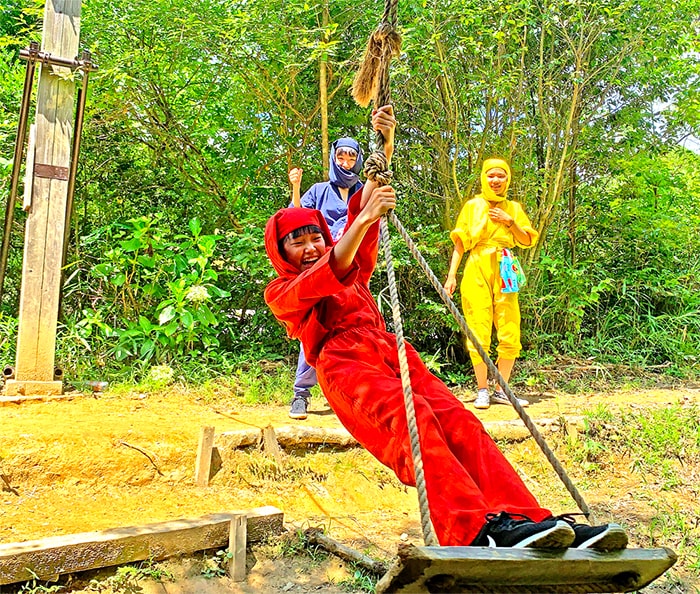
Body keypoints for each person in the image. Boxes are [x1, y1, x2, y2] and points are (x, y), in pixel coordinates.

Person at [264, 105, 627, 550]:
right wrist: (359, 220)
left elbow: (366, 206)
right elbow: (335, 261)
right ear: (280, 252)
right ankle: (472, 530)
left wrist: (385, 142)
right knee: (414, 423)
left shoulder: (349, 263)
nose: (308, 246)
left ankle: (531, 522)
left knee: (462, 423)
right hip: (345, 369)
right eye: (295, 241)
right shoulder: (283, 290)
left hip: (390, 353)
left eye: (315, 236)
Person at [444, 158, 537, 410]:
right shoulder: (473, 206)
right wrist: (451, 275)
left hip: (505, 265)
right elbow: (460, 243)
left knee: (510, 327)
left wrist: (510, 221)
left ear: (508, 179)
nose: (496, 180)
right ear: (484, 177)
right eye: (491, 176)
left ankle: (502, 390)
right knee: (478, 328)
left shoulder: (514, 208)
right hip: (476, 265)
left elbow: (527, 239)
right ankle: (482, 389)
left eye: (501, 176)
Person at [286, 137, 364, 420]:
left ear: (358, 159)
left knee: (350, 330)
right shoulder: (320, 190)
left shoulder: (362, 191)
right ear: (333, 157)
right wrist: (295, 186)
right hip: (322, 266)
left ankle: (344, 395)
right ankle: (301, 393)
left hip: (353, 268)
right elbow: (296, 217)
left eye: (351, 157)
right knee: (315, 326)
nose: (345, 162)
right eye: (341, 157)